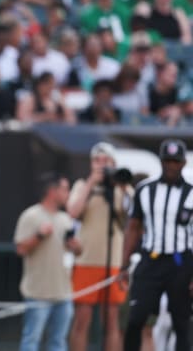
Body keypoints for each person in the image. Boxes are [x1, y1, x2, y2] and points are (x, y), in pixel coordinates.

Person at [119, 139, 193, 351]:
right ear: (161, 162)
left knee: (182, 323)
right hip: (150, 260)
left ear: (183, 163)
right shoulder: (144, 190)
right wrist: (124, 264)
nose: (171, 166)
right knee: (135, 319)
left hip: (181, 262)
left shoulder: (191, 192)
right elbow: (133, 227)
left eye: (175, 161)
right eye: (167, 161)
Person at [67, 142, 133, 351]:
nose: (102, 165)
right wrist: (90, 184)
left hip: (114, 263)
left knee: (112, 322)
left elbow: (134, 215)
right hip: (87, 260)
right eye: (97, 160)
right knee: (82, 320)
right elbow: (73, 212)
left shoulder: (122, 188)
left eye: (106, 161)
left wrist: (122, 186)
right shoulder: (82, 186)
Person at [15, 173, 82, 351]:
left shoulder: (66, 219)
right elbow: (20, 249)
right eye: (65, 189)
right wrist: (38, 236)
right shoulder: (31, 215)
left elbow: (78, 251)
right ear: (52, 191)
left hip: (63, 293)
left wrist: (75, 246)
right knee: (31, 340)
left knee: (59, 342)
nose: (68, 193)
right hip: (38, 293)